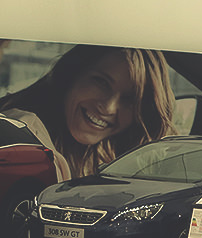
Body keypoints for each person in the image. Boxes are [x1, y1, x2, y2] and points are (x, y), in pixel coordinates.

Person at [0, 44, 176, 181]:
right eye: (102, 82)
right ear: (72, 74)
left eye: (129, 99)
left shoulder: (108, 156)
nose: (109, 107)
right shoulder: (24, 134)